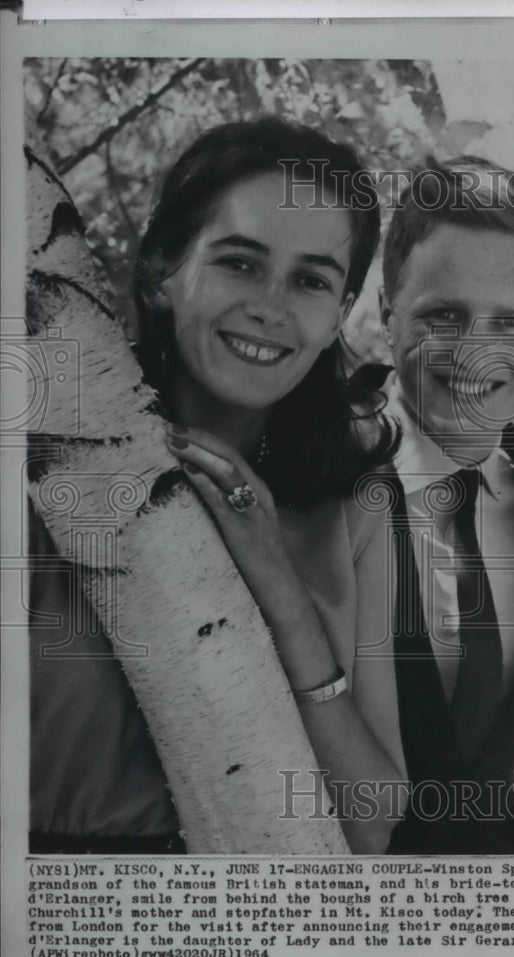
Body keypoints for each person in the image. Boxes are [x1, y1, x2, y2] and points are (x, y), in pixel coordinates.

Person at [28, 117, 407, 855]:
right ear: (161, 271)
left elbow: (370, 820)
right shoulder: (44, 450)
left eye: (310, 281)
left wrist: (279, 587)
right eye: (239, 262)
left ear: (338, 317)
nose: (271, 305)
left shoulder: (352, 498)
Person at [374, 155, 514, 854]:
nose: (475, 353)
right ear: (385, 311)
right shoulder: (313, 484)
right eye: (444, 314)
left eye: (513, 324)